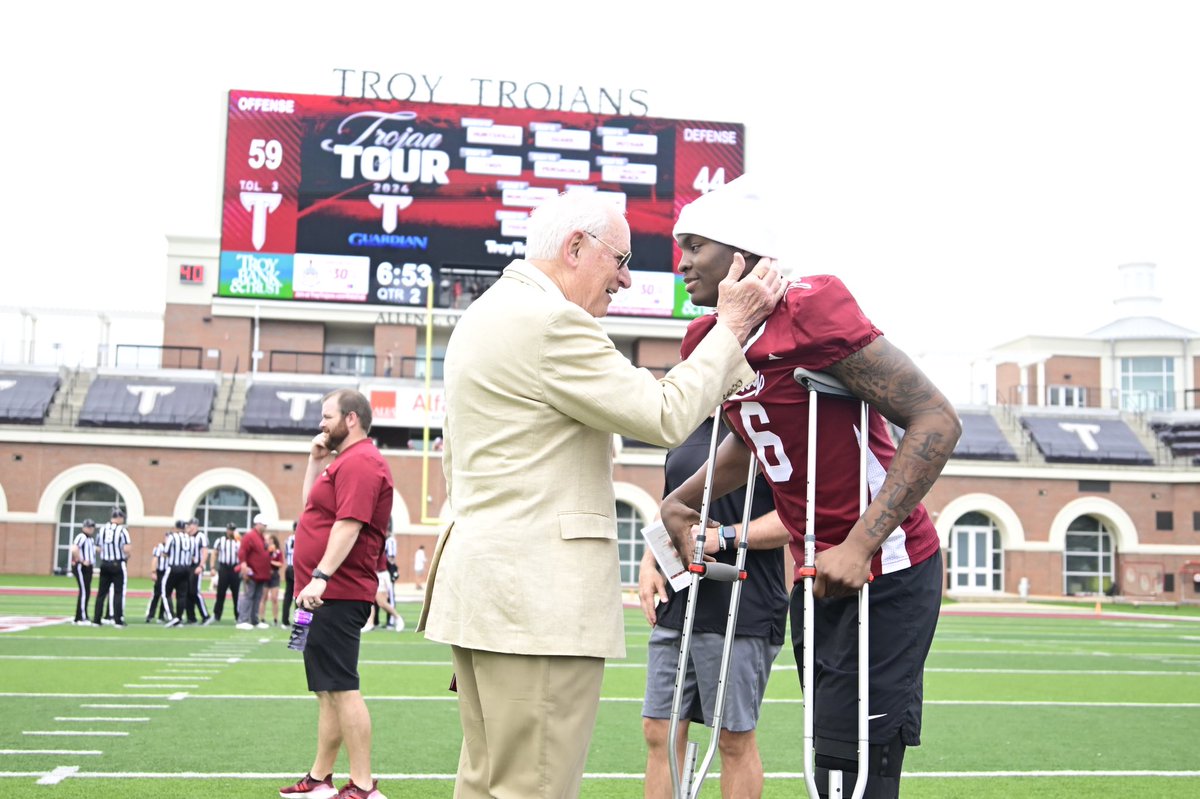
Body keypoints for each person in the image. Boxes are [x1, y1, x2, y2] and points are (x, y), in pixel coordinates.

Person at [417, 189, 785, 798]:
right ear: (576, 247)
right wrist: (733, 326)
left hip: (488, 594)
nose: (626, 276)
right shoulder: (552, 321)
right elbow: (664, 413)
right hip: (534, 604)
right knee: (533, 786)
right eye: (620, 257)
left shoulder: (486, 313)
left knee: (485, 782)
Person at [659, 176, 962, 799]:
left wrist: (860, 544)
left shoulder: (812, 310)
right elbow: (753, 436)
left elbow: (936, 419)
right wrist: (680, 499)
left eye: (694, 245)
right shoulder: (711, 338)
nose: (682, 262)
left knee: (864, 754)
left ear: (741, 256)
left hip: (890, 564)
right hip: (814, 569)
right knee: (827, 750)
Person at [638, 416, 788, 799]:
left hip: (742, 600)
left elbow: (797, 519)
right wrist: (648, 561)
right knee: (660, 729)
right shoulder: (683, 425)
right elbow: (672, 503)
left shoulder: (769, 423)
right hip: (679, 597)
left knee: (733, 738)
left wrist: (723, 536)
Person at [281, 388, 393, 799]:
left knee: (342, 686)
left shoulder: (362, 461)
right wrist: (314, 462)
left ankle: (362, 784)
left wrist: (322, 575)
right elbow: (312, 511)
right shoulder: (340, 461)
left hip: (337, 591)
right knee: (326, 689)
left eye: (327, 416)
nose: (320, 423)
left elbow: (349, 524)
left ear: (351, 419)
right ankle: (319, 778)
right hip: (322, 593)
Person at [91, 507, 131, 627]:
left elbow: (97, 547)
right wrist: (126, 555)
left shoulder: (102, 530)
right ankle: (117, 620)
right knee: (118, 592)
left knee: (101, 593)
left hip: (105, 564)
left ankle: (97, 619)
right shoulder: (122, 531)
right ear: (118, 518)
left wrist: (105, 553)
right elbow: (127, 548)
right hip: (117, 563)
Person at [236, 514, 272, 630]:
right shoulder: (249, 536)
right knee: (248, 595)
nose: (265, 526)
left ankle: (254, 620)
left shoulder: (261, 537)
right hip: (252, 572)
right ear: (257, 523)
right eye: (264, 524)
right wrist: (244, 567)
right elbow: (242, 552)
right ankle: (243, 620)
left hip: (261, 573)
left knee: (257, 597)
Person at [160, 520, 193, 627]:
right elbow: (192, 556)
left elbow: (166, 552)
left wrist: (164, 554)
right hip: (186, 569)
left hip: (174, 568)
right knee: (182, 595)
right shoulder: (189, 538)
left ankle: (171, 617)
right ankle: (179, 618)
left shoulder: (173, 537)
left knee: (165, 592)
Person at [211, 522, 241, 623]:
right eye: (230, 529)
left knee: (236, 593)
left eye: (233, 529)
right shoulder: (220, 540)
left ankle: (238, 615)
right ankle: (217, 615)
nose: (231, 531)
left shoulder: (239, 541)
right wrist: (212, 567)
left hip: (235, 568)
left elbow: (243, 555)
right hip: (223, 568)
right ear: (227, 530)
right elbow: (214, 554)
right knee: (221, 592)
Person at [185, 518, 212, 625]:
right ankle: (191, 617)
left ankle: (205, 615)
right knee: (187, 592)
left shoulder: (201, 536)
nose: (189, 527)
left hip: (196, 566)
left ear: (196, 526)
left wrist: (201, 565)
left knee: (195, 591)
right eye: (188, 525)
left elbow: (205, 552)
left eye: (191, 525)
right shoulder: (186, 536)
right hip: (187, 566)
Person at [69, 519, 97, 625]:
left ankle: (79, 616)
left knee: (86, 591)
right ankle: (81, 617)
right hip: (81, 566)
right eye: (89, 527)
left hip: (88, 567)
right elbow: (74, 548)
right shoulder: (81, 536)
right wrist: (81, 560)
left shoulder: (90, 539)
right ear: (84, 527)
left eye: (92, 527)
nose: (91, 529)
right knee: (84, 591)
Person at [145, 529, 171, 623]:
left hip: (169, 572)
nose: (168, 539)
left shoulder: (173, 547)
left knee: (166, 594)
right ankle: (150, 615)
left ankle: (161, 615)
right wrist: (153, 572)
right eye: (167, 537)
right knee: (157, 594)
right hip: (160, 572)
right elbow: (155, 559)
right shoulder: (159, 547)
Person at [259, 533, 284, 626]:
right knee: (263, 598)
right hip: (265, 576)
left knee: (274, 598)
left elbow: (280, 564)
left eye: (272, 541)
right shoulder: (265, 550)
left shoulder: (278, 552)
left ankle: (275, 619)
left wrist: (271, 561)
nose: (270, 542)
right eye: (268, 540)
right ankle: (261, 618)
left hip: (274, 576)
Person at [281, 522, 297, 626]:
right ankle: (298, 620)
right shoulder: (301, 538)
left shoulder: (288, 539)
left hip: (289, 567)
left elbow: (286, 555)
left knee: (288, 595)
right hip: (296, 568)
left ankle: (284, 620)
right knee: (298, 595)